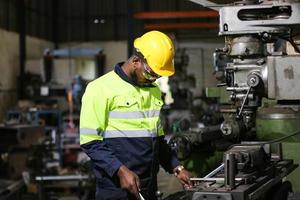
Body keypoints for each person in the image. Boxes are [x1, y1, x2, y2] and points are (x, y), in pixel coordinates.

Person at [80, 30, 192, 200]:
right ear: (135, 61)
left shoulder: (153, 91)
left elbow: (158, 140)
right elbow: (90, 142)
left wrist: (176, 167)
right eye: (151, 73)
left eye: (158, 76)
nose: (153, 79)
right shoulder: (99, 89)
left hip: (148, 185)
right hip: (116, 186)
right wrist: (120, 170)